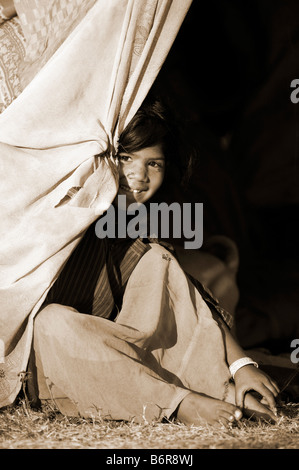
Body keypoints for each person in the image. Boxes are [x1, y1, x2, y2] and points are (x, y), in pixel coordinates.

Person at [27, 96, 280, 428]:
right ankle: (176, 403)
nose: (139, 175)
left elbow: (187, 293)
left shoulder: (136, 227)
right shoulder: (58, 208)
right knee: (51, 321)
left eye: (154, 164)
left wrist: (241, 364)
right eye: (125, 157)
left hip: (116, 346)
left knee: (158, 260)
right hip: (51, 358)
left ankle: (222, 387)